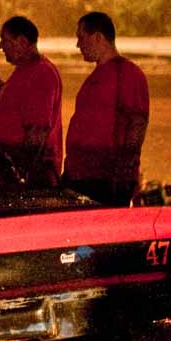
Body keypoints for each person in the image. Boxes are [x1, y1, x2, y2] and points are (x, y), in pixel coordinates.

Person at [63, 11, 150, 205]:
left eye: (81, 37)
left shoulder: (127, 73)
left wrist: (125, 171)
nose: (78, 45)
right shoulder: (94, 77)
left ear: (98, 37)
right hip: (80, 176)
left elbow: (137, 122)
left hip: (105, 179)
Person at [0, 15, 63, 186]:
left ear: (22, 41)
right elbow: (18, 107)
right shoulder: (24, 71)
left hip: (26, 177)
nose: (1, 46)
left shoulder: (41, 74)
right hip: (12, 174)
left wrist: (20, 176)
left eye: (5, 40)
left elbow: (38, 131)